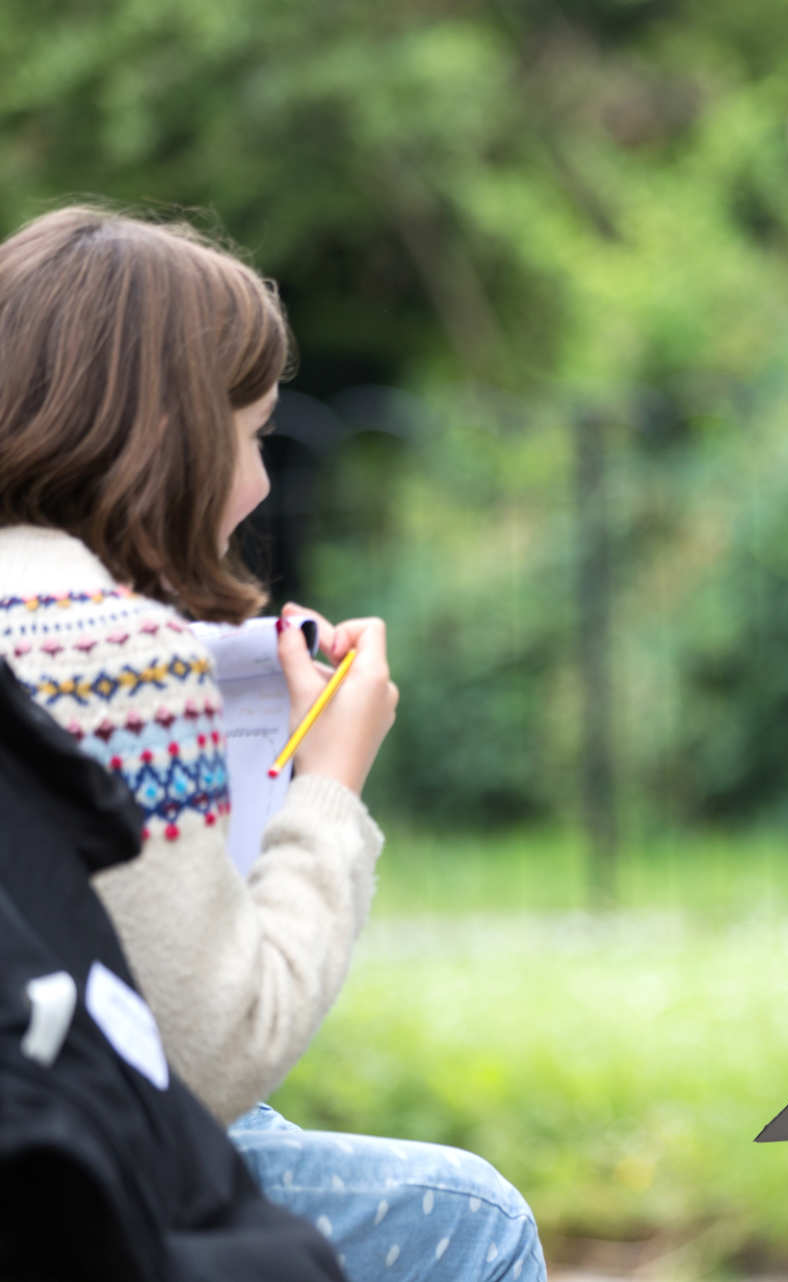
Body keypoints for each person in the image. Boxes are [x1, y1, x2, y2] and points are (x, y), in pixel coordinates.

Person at [0, 205, 545, 1282]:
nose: (256, 482)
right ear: (172, 436)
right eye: (251, 436)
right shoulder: (110, 652)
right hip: (55, 1190)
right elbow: (213, 1057)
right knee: (474, 1217)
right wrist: (329, 782)